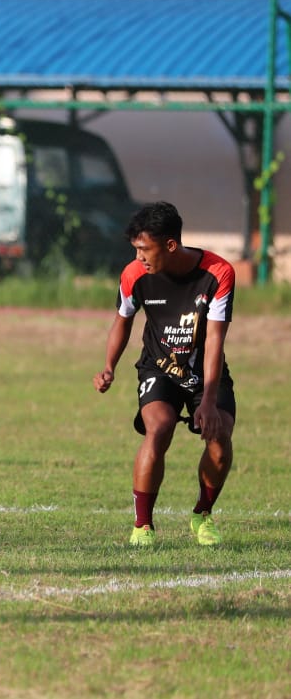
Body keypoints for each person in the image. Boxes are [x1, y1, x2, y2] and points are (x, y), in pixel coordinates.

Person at [93, 201, 236, 547]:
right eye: (135, 249)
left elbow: (214, 340)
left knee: (219, 440)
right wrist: (109, 366)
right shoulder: (134, 275)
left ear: (170, 245)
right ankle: (142, 525)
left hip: (205, 371)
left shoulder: (218, 273)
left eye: (145, 249)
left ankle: (202, 514)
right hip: (158, 367)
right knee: (159, 428)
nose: (139, 257)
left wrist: (209, 403)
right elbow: (122, 321)